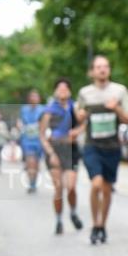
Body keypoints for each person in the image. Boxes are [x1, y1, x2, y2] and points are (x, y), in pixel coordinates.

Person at [76, 55, 128, 245]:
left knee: (107, 189)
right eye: (98, 67)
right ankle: (94, 223)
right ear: (92, 71)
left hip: (112, 147)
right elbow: (78, 116)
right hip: (92, 146)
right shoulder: (85, 93)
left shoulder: (119, 91)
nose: (102, 70)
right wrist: (80, 116)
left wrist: (116, 108)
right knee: (96, 184)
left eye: (106, 66)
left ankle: (102, 225)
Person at [41, 78, 84, 235]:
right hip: (55, 150)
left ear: (70, 91)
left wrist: (77, 132)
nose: (63, 91)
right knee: (59, 188)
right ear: (55, 91)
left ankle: (73, 212)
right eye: (60, 89)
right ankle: (58, 220)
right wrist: (51, 153)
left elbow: (84, 122)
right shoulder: (49, 111)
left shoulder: (76, 107)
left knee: (71, 187)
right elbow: (42, 135)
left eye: (65, 88)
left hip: (71, 150)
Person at [18, 90, 46, 192]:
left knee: (36, 163)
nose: (34, 98)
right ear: (29, 99)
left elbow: (46, 122)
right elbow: (20, 121)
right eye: (32, 96)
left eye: (36, 96)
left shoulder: (43, 109)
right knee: (30, 161)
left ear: (39, 99)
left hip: (39, 140)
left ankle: (34, 181)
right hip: (27, 139)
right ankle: (31, 183)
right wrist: (20, 126)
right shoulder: (24, 109)